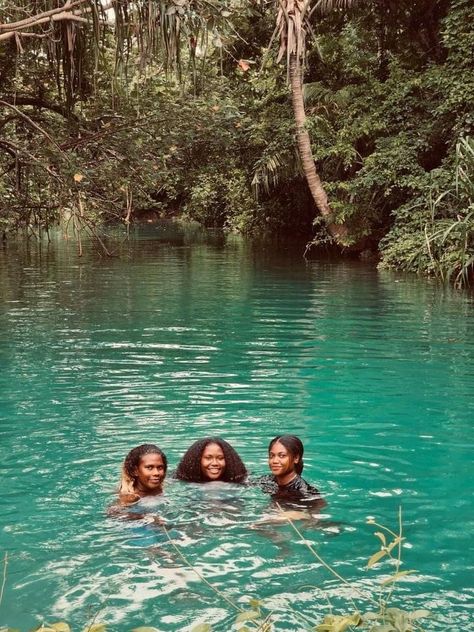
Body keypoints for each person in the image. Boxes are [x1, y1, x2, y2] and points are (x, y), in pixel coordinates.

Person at [258, 435, 322, 502]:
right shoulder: (267, 480)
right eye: (272, 456)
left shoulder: (304, 492)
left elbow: (318, 506)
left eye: (282, 456)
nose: (275, 461)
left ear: (296, 458)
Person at [174, 437, 247, 483]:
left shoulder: (244, 481)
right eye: (208, 458)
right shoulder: (176, 481)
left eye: (220, 458)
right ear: (197, 461)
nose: (215, 463)